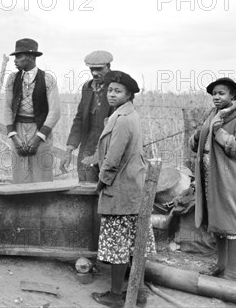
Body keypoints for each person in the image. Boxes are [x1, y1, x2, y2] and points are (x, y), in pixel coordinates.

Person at [91, 70, 156, 308]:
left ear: (129, 95)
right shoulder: (127, 115)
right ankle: (137, 292)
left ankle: (116, 295)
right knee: (132, 244)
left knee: (119, 245)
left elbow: (112, 159)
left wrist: (101, 182)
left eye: (118, 91)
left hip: (120, 189)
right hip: (131, 188)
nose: (112, 94)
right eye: (109, 90)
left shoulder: (122, 120)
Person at [189, 77, 236, 282]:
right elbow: (196, 145)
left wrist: (219, 132)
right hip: (210, 176)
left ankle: (231, 272)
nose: (216, 97)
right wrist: (197, 136)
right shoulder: (212, 114)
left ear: (232, 95)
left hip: (229, 177)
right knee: (217, 219)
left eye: (221, 93)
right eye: (214, 93)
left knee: (232, 219)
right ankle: (220, 265)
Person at [3, 38, 61, 183]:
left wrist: (39, 137)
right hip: (18, 130)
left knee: (42, 177)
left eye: (18, 57)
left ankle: (43, 205)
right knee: (20, 177)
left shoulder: (48, 79)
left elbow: (55, 112)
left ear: (30, 56)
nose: (15, 61)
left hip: (41, 130)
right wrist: (14, 136)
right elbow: (7, 108)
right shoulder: (12, 79)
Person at [60, 51, 114, 182]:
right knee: (84, 183)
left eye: (99, 69)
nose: (95, 73)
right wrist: (68, 150)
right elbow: (79, 120)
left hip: (110, 149)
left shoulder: (116, 89)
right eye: (92, 69)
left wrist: (100, 153)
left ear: (108, 66)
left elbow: (120, 125)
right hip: (87, 147)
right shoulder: (87, 87)